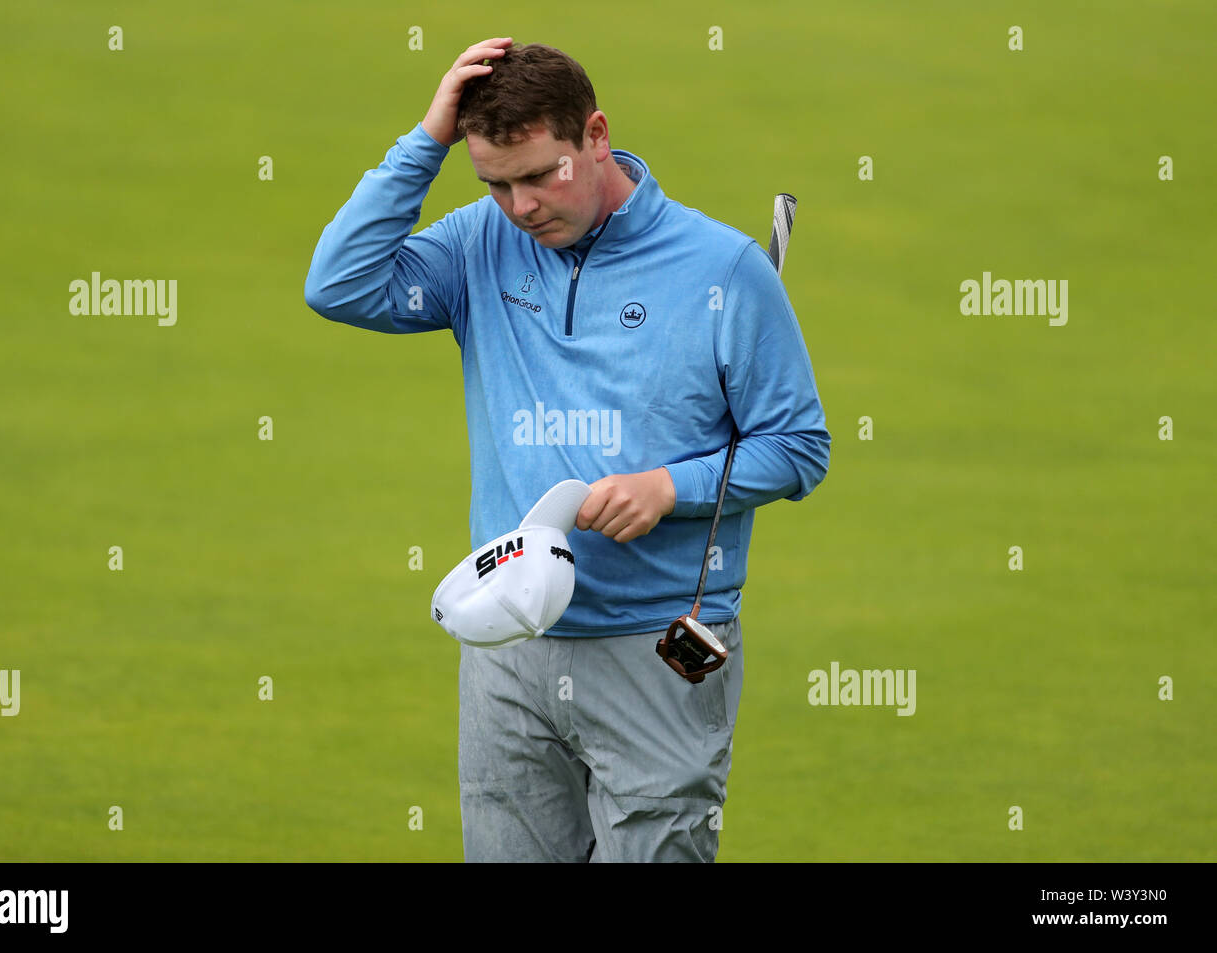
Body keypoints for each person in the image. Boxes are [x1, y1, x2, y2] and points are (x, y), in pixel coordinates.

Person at [304, 38, 830, 862]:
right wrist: (427, 140)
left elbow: (798, 447)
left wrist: (671, 486)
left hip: (657, 650)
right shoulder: (479, 244)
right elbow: (338, 283)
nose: (520, 206)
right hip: (508, 640)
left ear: (595, 135)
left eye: (539, 175)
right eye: (495, 183)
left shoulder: (723, 269)